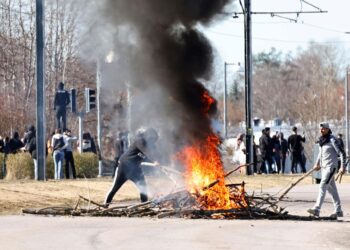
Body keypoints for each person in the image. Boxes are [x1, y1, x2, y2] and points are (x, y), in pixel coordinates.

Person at [104, 128, 159, 207]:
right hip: (124, 166)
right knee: (115, 188)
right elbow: (146, 152)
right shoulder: (140, 141)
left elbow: (151, 156)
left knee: (143, 187)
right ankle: (105, 205)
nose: (153, 142)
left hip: (135, 169)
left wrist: (158, 162)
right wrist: (154, 160)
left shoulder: (151, 146)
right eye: (153, 139)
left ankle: (144, 205)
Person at [307, 122, 346, 218]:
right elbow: (320, 154)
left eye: (323, 128)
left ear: (328, 129)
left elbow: (342, 153)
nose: (321, 130)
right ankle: (338, 211)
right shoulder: (321, 141)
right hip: (324, 168)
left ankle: (317, 209)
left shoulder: (333, 140)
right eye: (320, 129)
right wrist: (317, 164)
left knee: (322, 185)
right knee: (332, 190)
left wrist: (342, 166)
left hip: (331, 167)